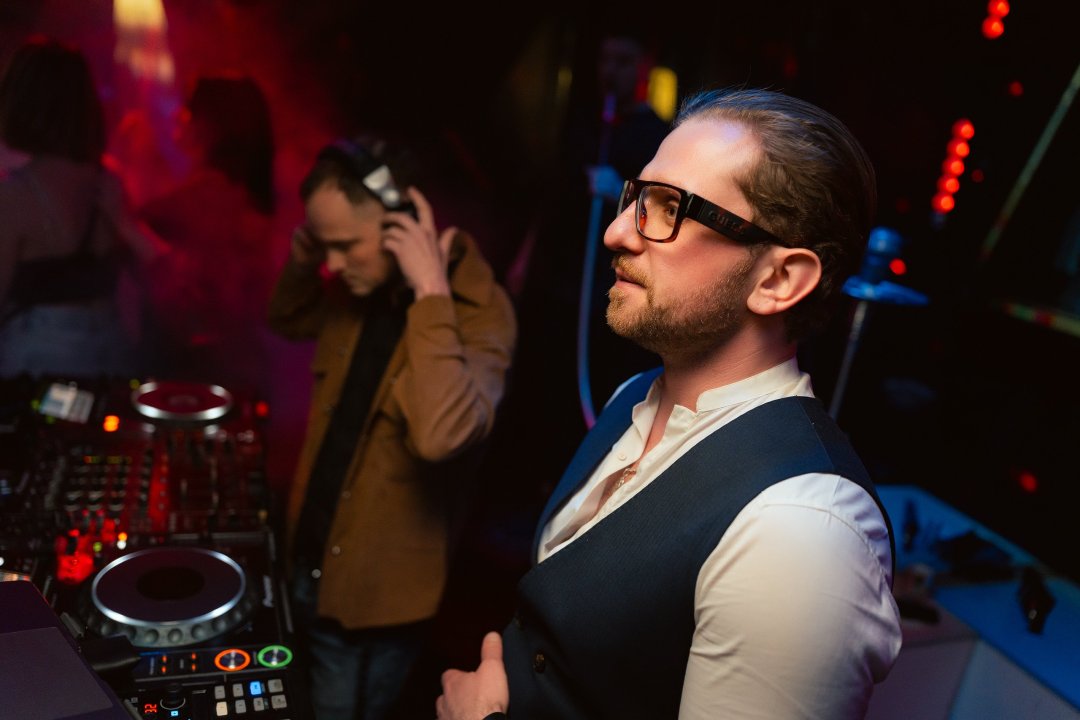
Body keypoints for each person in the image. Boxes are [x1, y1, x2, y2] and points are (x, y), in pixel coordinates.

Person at [437, 87, 902, 719]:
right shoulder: (634, 396)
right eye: (636, 198)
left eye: (668, 208)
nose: (616, 232)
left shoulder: (802, 533)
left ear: (778, 279)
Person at [267, 136, 516, 720]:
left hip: (373, 605)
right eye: (324, 247)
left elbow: (441, 434)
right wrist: (303, 260)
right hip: (304, 569)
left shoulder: (480, 310)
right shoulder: (355, 288)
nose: (332, 265)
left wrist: (430, 293)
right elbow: (285, 317)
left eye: (345, 245)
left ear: (403, 221)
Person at [0, 35, 165, 378]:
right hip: (109, 361)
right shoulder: (109, 182)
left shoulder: (16, 198)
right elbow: (157, 276)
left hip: (35, 370)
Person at [138, 74, 278, 395]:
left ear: (211, 126)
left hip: (201, 366)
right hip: (241, 361)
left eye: (189, 110)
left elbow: (131, 225)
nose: (178, 117)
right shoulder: (248, 193)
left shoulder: (208, 195)